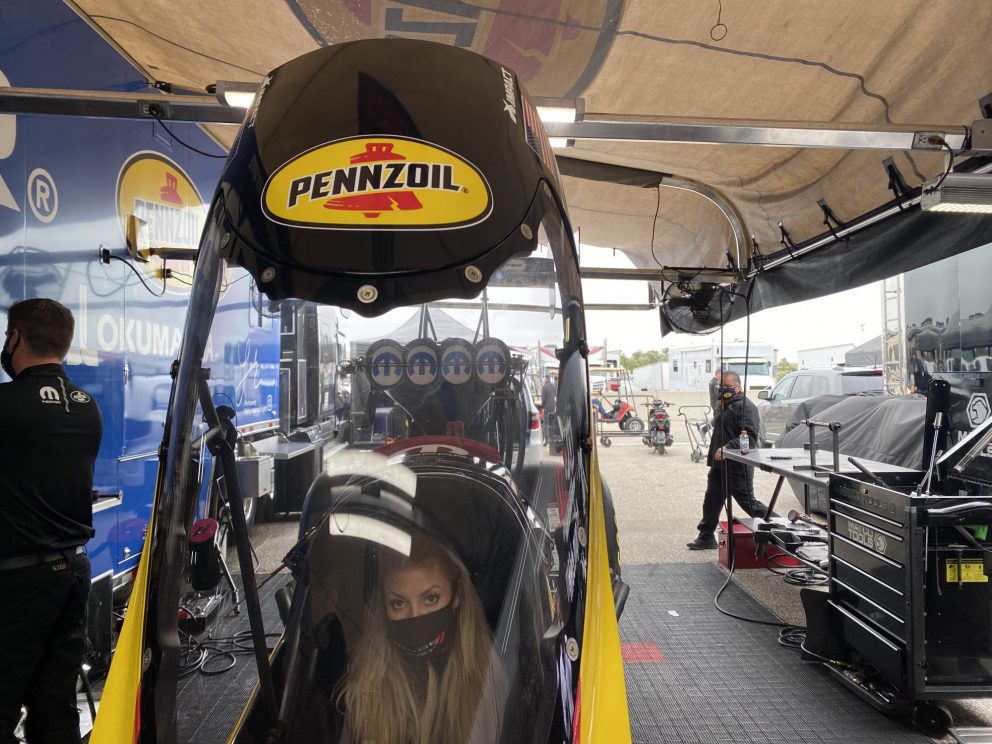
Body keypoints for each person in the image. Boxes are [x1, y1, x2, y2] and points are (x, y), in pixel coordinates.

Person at [0, 298, 103, 744]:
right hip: (72, 573)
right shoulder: (86, 408)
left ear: (16, 337)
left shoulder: (7, 404)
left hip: (18, 582)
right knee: (54, 707)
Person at [337, 532, 503, 744]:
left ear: (457, 596)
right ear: (383, 607)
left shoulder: (485, 681)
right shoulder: (367, 688)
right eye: (399, 603)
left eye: (430, 598)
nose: (415, 616)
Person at [687, 370, 771, 550]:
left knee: (749, 503)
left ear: (739, 387)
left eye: (726, 387)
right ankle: (706, 536)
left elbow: (750, 438)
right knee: (712, 500)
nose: (722, 390)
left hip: (737, 465)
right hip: (719, 466)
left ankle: (779, 526)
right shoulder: (723, 404)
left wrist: (728, 447)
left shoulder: (746, 407)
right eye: (720, 387)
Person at [540, 375, 558, 445]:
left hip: (547, 407)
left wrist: (543, 405)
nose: (544, 380)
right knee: (552, 423)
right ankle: (552, 438)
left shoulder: (544, 387)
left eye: (544, 378)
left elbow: (543, 399)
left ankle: (546, 438)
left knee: (546, 423)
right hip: (553, 407)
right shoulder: (554, 386)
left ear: (547, 379)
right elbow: (556, 396)